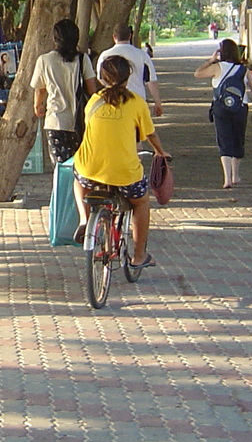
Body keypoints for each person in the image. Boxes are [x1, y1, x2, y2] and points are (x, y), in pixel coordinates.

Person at [72, 54, 169, 271]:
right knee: (141, 202)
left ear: (102, 78)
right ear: (128, 77)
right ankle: (139, 255)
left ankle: (83, 218)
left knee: (78, 179)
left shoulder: (94, 101)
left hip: (90, 168)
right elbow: (150, 135)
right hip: (125, 173)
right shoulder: (137, 103)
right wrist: (160, 153)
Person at [194, 38, 252, 189]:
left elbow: (197, 74)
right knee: (238, 139)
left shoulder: (217, 67)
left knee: (224, 139)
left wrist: (210, 60)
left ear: (222, 52)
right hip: (240, 108)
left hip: (220, 108)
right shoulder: (244, 70)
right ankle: (236, 175)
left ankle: (227, 178)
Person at [31, 18, 99, 164]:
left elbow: (40, 90)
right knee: (81, 166)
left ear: (55, 39)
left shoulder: (44, 60)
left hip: (55, 121)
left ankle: (62, 187)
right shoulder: (83, 59)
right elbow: (92, 90)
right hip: (80, 122)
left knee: (61, 168)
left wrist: (37, 106)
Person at [98, 23, 163, 117]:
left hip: (113, 101)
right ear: (130, 35)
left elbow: (101, 79)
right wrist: (157, 102)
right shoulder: (142, 55)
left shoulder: (104, 56)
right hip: (138, 100)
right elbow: (151, 81)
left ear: (114, 37)